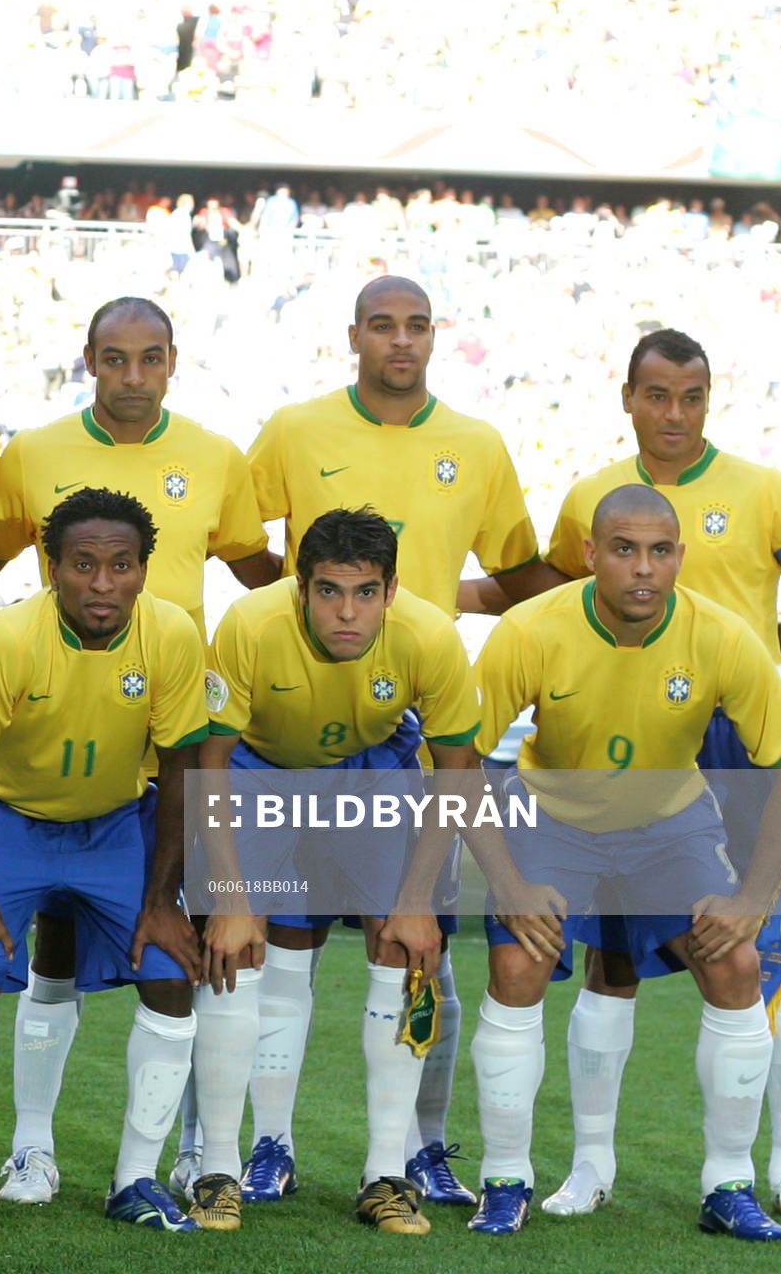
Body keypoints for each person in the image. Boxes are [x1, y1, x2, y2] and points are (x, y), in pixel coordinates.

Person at [463, 329, 781, 1225]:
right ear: (629, 398)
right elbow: (533, 598)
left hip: (723, 739)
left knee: (762, 962)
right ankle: (564, 1170)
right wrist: (426, 590)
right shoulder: (585, 511)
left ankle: (778, 1171)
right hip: (591, 764)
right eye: (657, 396)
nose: (674, 414)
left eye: (691, 397)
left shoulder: (763, 497)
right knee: (602, 962)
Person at [240, 275, 543, 1208]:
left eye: (417, 326)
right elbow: (245, 547)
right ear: (354, 336)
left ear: (434, 338)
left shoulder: (477, 444)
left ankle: (418, 1150)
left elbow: (520, 574)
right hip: (291, 728)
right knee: (280, 945)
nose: (400, 341)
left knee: (417, 948)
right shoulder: (295, 429)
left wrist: (427, 616)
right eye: (383, 325)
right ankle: (265, 1146)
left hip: (398, 725)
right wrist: (306, 614)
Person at [0, 296, 277, 1206]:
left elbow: (257, 570)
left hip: (162, 727)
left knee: (179, 946)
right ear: (89, 361)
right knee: (46, 948)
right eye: (115, 358)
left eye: (149, 358)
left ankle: (188, 1149)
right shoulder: (30, 453)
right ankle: (28, 1148)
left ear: (173, 362)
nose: (132, 376)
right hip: (50, 717)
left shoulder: (218, 457)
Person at [467, 484, 781, 1240]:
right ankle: (505, 1178)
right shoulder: (531, 630)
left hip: (667, 824)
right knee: (520, 963)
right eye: (624, 549)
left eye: (660, 551)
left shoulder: (720, 636)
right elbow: (455, 758)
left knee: (735, 960)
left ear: (681, 557)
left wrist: (753, 896)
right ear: (591, 555)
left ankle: (728, 1182)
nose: (643, 569)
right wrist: (509, 881)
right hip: (552, 815)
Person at [192, 508, 497, 1234]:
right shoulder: (247, 625)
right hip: (261, 770)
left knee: (407, 944)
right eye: (328, 591)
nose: (347, 612)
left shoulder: (430, 637)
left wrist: (417, 898)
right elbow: (209, 764)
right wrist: (232, 897)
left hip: (373, 769)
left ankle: (386, 1174)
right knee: (237, 944)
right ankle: (223, 1168)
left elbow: (456, 770)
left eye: (365, 593)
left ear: (392, 591)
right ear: (300, 587)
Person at [0, 488, 208, 1232]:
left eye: (122, 565)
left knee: (174, 977)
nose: (103, 583)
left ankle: (134, 1181)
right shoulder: (9, 636)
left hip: (114, 824)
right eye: (83, 565)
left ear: (145, 570)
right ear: (52, 568)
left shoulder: (173, 635)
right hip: (11, 821)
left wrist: (162, 899)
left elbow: (184, 765)